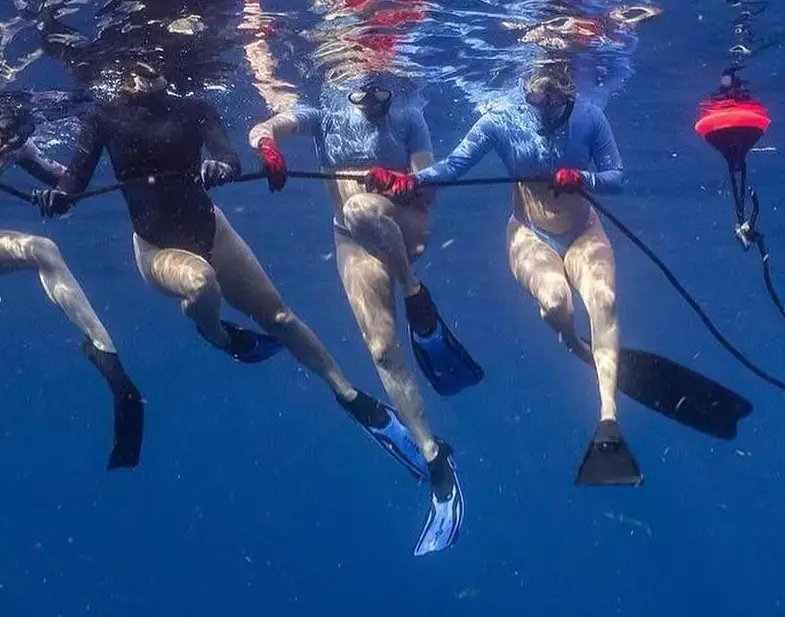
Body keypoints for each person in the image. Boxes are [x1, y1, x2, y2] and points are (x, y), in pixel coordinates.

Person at [34, 61, 446, 549]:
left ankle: (349, 396)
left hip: (214, 229)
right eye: (144, 65)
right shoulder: (104, 116)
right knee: (200, 284)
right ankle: (219, 335)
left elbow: (227, 156)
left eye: (162, 61)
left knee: (280, 318)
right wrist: (56, 199)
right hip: (158, 249)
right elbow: (74, 184)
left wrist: (225, 166)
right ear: (126, 70)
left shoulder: (196, 107)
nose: (154, 73)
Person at [368, 63, 642, 486]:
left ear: (570, 93)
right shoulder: (501, 120)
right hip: (530, 235)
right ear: (525, 93)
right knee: (555, 303)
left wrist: (584, 177)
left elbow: (617, 178)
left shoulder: (589, 117)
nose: (548, 110)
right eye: (538, 99)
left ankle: (607, 419)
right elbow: (455, 165)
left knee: (602, 299)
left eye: (558, 101)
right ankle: (573, 342)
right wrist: (409, 181)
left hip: (585, 231)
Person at [248, 75, 476, 555]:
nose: (373, 101)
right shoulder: (325, 114)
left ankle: (415, 295)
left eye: (381, 93)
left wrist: (405, 183)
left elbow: (428, 187)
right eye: (362, 93)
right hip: (351, 236)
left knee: (360, 207)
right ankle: (434, 457)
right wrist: (268, 144)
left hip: (402, 222)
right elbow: (271, 124)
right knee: (380, 349)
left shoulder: (409, 116)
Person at [0, 91, 143, 468]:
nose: (8, 141)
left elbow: (67, 182)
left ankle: (111, 365)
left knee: (42, 249)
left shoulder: (19, 146)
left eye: (14, 133)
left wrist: (59, 196)